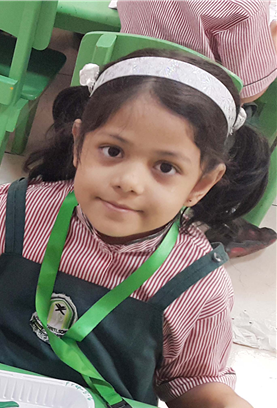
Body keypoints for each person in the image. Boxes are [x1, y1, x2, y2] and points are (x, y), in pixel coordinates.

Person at [0, 50, 270, 408]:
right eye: (112, 150)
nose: (129, 181)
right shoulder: (14, 211)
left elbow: (190, 385)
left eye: (165, 167)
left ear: (201, 183)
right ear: (79, 143)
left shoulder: (197, 284)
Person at [118, 0, 277, 256]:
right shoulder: (245, 8)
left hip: (126, 93)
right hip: (193, 115)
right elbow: (248, 90)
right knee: (248, 133)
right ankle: (219, 222)